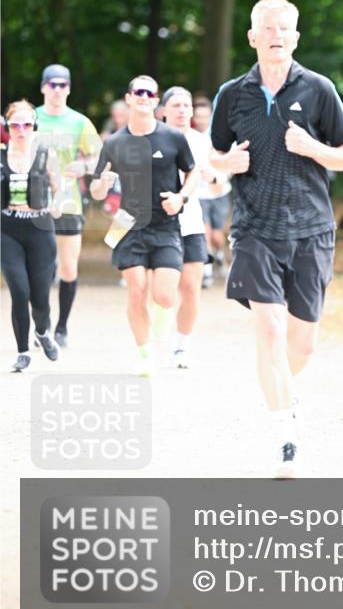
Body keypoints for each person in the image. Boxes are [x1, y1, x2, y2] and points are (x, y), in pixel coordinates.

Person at [210, 0, 343, 478]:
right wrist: (225, 165)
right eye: (267, 28)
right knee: (269, 330)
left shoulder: (318, 89)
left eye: (285, 28)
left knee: (302, 346)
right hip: (255, 229)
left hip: (312, 230)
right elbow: (213, 155)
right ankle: (284, 435)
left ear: (296, 37)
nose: (276, 35)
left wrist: (313, 147)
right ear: (251, 36)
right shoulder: (232, 95)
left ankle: (279, 392)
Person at [90, 75, 199, 377]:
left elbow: (193, 174)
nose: (143, 96)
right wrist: (103, 183)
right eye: (138, 91)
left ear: (156, 100)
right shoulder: (114, 143)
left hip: (165, 224)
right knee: (136, 290)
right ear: (128, 98)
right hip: (128, 223)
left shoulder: (173, 137)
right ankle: (144, 353)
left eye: (149, 93)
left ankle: (164, 309)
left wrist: (180, 198)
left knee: (165, 294)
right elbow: (97, 192)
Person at [35, 63, 102, 348]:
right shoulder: (30, 119)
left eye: (63, 85)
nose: (58, 90)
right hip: (34, 204)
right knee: (38, 268)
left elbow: (100, 157)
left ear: (70, 89)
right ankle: (42, 325)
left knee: (68, 267)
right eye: (53, 85)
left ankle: (61, 327)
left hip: (69, 202)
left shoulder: (79, 122)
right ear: (43, 88)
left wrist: (84, 165)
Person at [161, 87, 226, 365]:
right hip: (157, 224)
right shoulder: (150, 139)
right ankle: (151, 339)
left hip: (191, 224)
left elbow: (220, 180)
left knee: (190, 287)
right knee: (162, 292)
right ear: (163, 110)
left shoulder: (202, 142)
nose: (182, 110)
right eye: (176, 105)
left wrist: (213, 177)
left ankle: (181, 346)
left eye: (186, 106)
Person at [1, 100, 60, 372]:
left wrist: (58, 204)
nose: (21, 130)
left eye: (27, 124)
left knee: (40, 297)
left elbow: (60, 188)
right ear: (7, 126)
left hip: (40, 228)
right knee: (19, 290)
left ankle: (42, 331)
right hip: (7, 229)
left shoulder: (46, 154)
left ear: (34, 126)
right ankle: (23, 351)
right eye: (15, 125)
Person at [193, 97, 231, 284]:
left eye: (204, 116)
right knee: (204, 232)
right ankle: (206, 272)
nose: (201, 120)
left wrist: (219, 178)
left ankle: (219, 254)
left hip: (219, 192)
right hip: (199, 194)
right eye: (198, 116)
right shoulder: (188, 136)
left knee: (217, 235)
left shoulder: (219, 136)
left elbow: (229, 164)